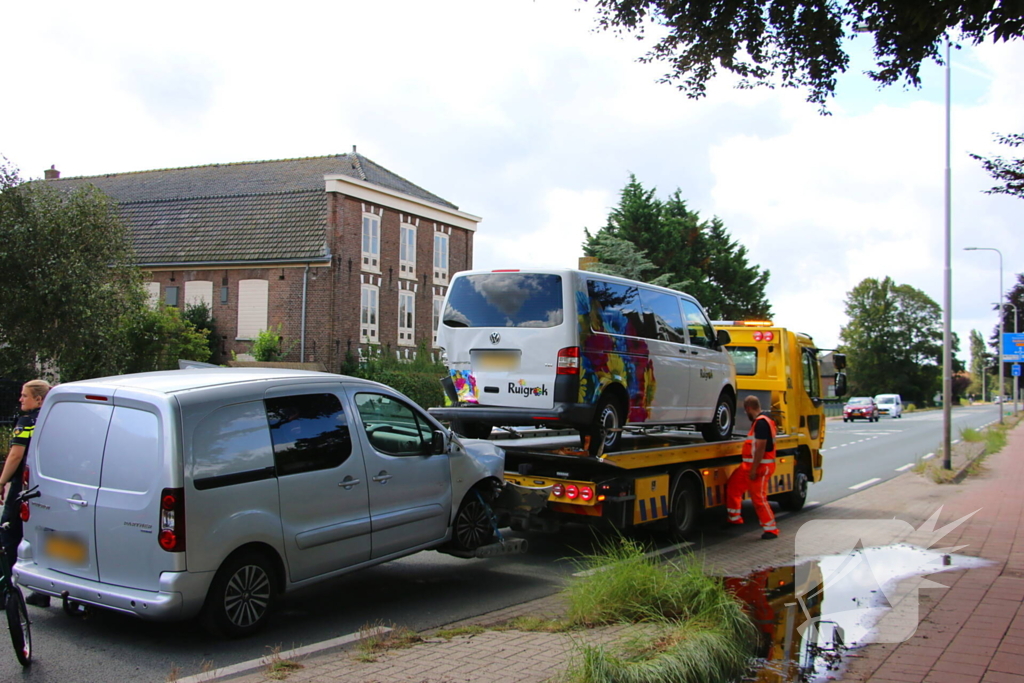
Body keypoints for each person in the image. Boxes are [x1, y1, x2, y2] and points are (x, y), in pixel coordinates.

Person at [0, 379, 51, 606]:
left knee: (8, 534)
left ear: (38, 399)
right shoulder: (54, 418)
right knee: (44, 535)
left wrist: (1, 481)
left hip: (24, 485)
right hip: (49, 485)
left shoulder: (27, 421)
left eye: (24, 395)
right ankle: (42, 592)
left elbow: (15, 455)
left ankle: (3, 591)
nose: (20, 399)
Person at [723, 395, 779, 540]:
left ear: (748, 408)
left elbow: (760, 447)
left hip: (759, 467)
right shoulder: (762, 421)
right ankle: (734, 518)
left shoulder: (761, 423)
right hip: (749, 466)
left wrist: (754, 469)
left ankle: (771, 530)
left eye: (745, 410)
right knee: (733, 487)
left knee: (759, 499)